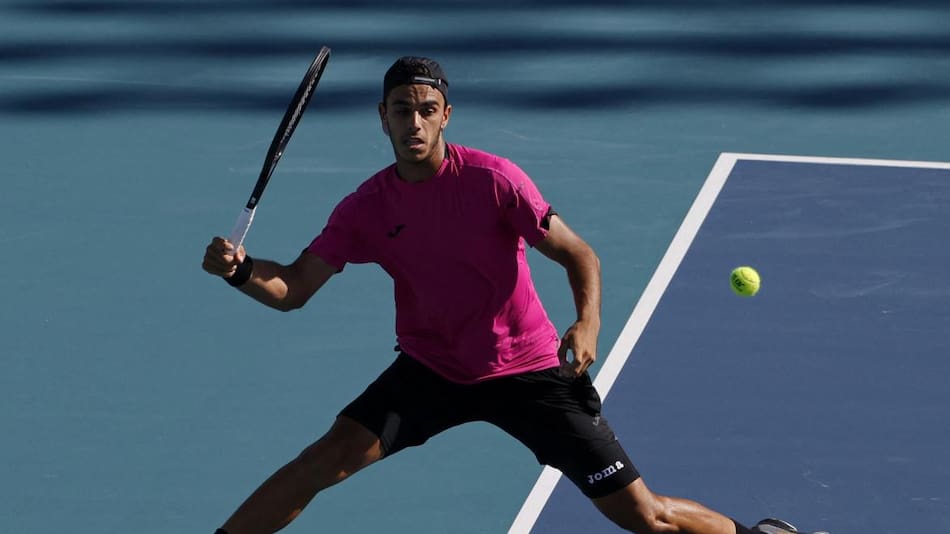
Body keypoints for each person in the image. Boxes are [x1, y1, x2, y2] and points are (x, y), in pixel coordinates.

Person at [202, 56, 819, 534]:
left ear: (446, 115)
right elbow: (293, 289)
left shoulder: (495, 182)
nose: (413, 121)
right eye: (400, 109)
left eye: (426, 108)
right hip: (432, 370)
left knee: (645, 517)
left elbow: (579, 253)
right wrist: (241, 270)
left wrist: (587, 323)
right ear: (382, 117)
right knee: (321, 462)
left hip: (529, 371)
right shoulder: (365, 209)